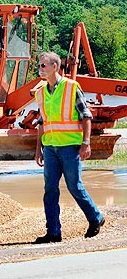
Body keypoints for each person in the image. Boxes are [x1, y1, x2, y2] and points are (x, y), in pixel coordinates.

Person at [33, 52, 105, 244]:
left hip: (69, 148)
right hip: (50, 148)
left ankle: (96, 217)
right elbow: (42, 121)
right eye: (40, 66)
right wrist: (38, 148)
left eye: (43, 66)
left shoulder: (71, 87)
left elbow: (86, 116)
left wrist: (86, 143)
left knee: (74, 187)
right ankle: (53, 232)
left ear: (54, 67)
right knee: (50, 190)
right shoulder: (40, 92)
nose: (40, 69)